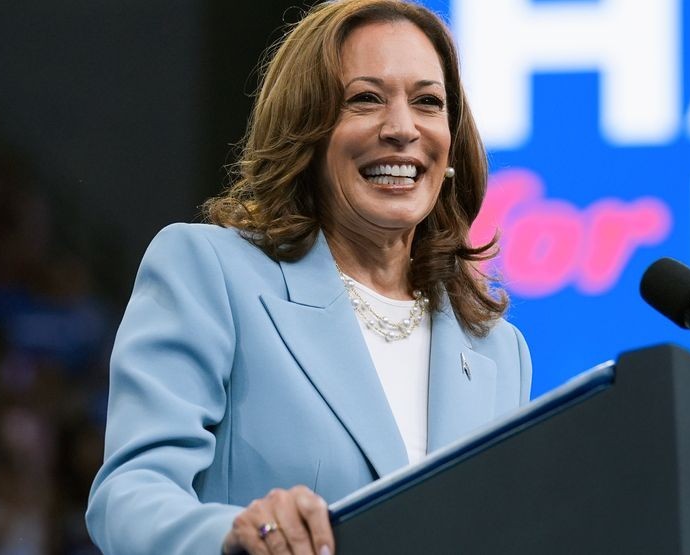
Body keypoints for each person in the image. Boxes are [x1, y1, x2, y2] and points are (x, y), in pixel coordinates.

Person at [86, 1, 532, 553]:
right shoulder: (210, 272)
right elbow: (129, 497)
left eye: (428, 102)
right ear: (308, 131)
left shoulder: (498, 352)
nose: (402, 128)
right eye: (365, 99)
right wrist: (234, 536)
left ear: (450, 147)